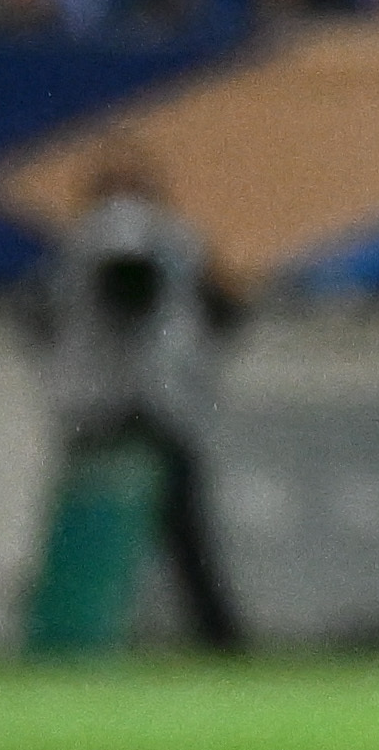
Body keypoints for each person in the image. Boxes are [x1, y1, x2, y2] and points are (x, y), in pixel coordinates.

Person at [26, 152, 242, 650]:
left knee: (110, 533)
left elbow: (37, 319)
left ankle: (72, 638)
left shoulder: (86, 244)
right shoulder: (141, 240)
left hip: (113, 408)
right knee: (173, 539)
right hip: (140, 406)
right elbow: (207, 307)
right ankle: (219, 642)